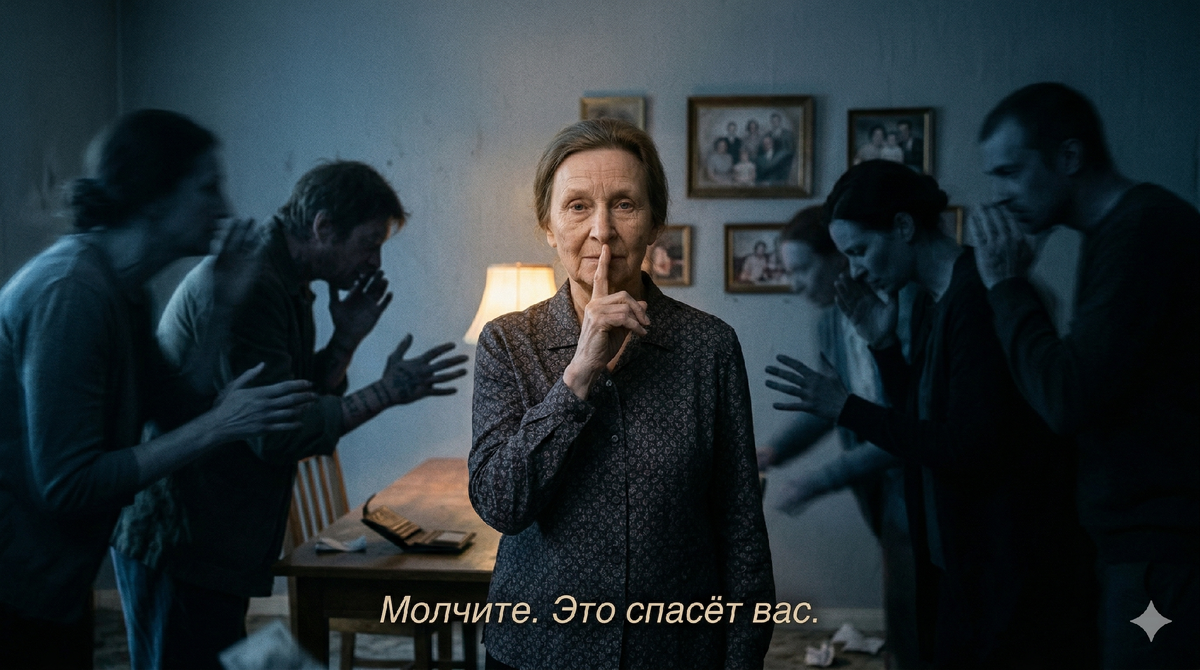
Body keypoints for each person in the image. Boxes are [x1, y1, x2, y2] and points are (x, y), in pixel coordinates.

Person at [109, 160, 469, 670]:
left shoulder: (287, 279)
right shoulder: (254, 281)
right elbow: (276, 434)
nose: (374, 261)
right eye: (369, 243)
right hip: (183, 536)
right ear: (323, 227)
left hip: (211, 536)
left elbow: (295, 396)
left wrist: (345, 340)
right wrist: (386, 393)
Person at [0, 109, 315, 669]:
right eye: (207, 188)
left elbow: (175, 410)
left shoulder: (123, 289)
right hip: (15, 589)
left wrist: (221, 305)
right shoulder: (71, 291)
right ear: (152, 196)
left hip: (51, 583)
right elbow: (68, 485)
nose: (225, 208)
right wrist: (221, 423)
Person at [469, 118, 774, 670]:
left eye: (625, 205)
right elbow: (500, 505)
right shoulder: (508, 342)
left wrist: (742, 657)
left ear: (655, 222)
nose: (602, 230)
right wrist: (578, 376)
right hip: (540, 648)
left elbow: (741, 526)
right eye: (578, 206)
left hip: (673, 650)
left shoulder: (709, 346)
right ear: (548, 225)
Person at [766, 160, 1094, 668]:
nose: (855, 270)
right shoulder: (932, 300)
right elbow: (919, 414)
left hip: (1003, 549)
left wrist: (845, 408)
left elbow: (965, 445)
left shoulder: (976, 296)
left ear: (903, 226)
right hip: (961, 546)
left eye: (860, 251)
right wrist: (884, 347)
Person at [971, 82, 1199, 668]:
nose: (999, 197)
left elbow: (1065, 398)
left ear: (1069, 157)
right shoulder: (1121, 231)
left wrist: (1008, 286)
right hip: (1143, 546)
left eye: (1011, 172)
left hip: (1161, 552)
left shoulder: (1143, 231)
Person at [759, 205, 920, 670]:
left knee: (914, 606)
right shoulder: (829, 322)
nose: (795, 285)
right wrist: (774, 451)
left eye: (802, 270)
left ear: (839, 258)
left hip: (912, 471)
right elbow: (836, 406)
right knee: (900, 601)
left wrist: (818, 481)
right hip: (873, 482)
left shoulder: (902, 306)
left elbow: (900, 424)